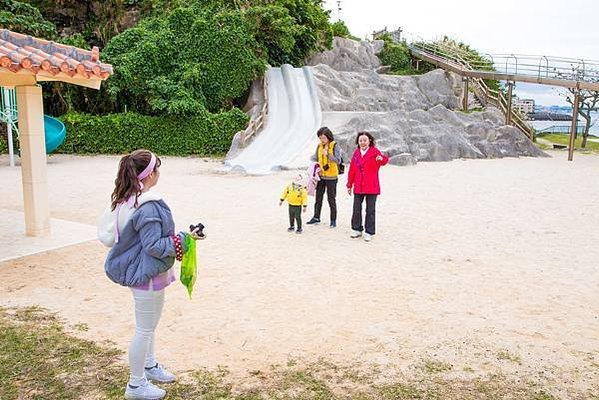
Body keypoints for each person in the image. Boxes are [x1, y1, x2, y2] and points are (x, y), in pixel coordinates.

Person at [97, 149, 203, 400]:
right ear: (149, 174)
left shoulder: (127, 199)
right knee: (144, 330)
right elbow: (154, 246)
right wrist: (185, 240)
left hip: (143, 272)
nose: (158, 172)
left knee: (149, 327)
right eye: (157, 167)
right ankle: (135, 385)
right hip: (147, 276)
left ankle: (149, 365)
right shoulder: (148, 207)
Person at [346, 132, 389, 242]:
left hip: (371, 185)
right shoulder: (356, 153)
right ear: (358, 142)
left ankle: (369, 232)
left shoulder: (375, 152)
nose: (363, 142)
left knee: (370, 210)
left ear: (369, 141)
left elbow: (384, 161)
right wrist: (349, 184)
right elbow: (352, 170)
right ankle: (357, 229)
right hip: (359, 185)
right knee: (356, 208)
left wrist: (381, 158)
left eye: (365, 140)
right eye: (360, 140)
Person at [307, 127, 342, 228]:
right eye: (320, 138)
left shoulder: (335, 145)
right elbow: (315, 157)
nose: (322, 140)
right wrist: (311, 158)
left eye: (323, 138)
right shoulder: (319, 146)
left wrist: (328, 155)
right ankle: (316, 217)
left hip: (331, 177)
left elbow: (338, 160)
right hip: (321, 176)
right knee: (318, 198)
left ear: (328, 137)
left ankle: (333, 220)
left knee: (331, 199)